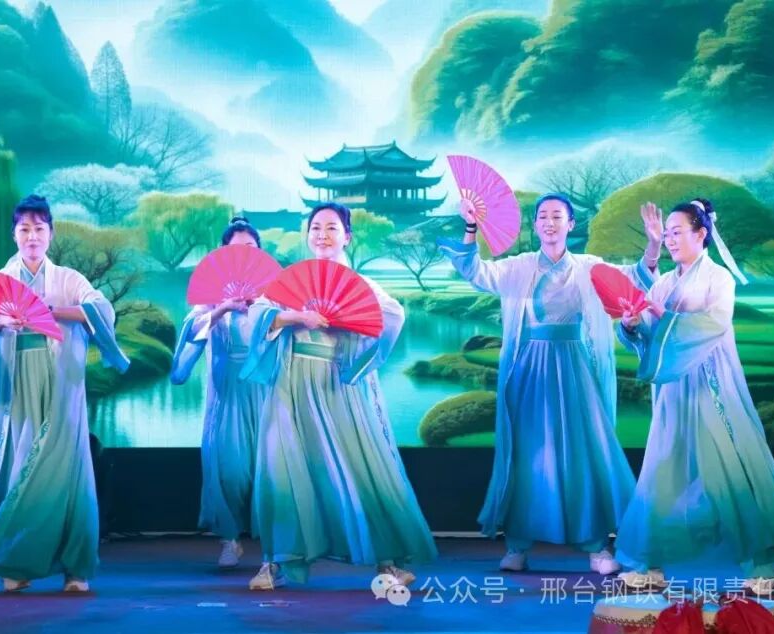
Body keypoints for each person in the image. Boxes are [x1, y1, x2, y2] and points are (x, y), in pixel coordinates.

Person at [438, 193, 663, 574]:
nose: (549, 222)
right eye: (542, 216)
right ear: (536, 224)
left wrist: (654, 245)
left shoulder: (589, 267)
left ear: (571, 224)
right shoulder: (520, 266)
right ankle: (517, 545)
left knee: (583, 449)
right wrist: (471, 226)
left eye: (557, 216)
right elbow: (476, 272)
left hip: (575, 364)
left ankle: (596, 545)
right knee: (527, 452)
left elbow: (634, 278)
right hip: (528, 366)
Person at [0, 195, 129, 592]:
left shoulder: (67, 279)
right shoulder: (0, 280)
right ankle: (16, 561)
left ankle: (75, 567)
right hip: (16, 383)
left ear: (51, 233)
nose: (32, 236)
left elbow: (100, 310)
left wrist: (50, 310)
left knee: (67, 469)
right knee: (23, 467)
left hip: (61, 383)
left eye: (39, 229)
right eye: (24, 229)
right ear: (14, 234)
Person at [241, 203, 437, 590]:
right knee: (282, 467)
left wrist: (352, 332)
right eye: (316, 227)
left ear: (347, 236)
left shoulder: (360, 284)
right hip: (290, 381)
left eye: (332, 228)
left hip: (337, 382)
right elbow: (258, 315)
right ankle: (274, 562)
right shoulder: (290, 281)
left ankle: (386, 561)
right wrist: (297, 317)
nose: (322, 235)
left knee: (358, 467)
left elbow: (392, 316)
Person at [615, 198, 774, 595]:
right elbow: (650, 335)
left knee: (730, 466)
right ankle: (649, 564)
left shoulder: (719, 279)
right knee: (663, 469)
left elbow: (714, 323)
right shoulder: (664, 282)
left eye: (677, 232)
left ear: (701, 233)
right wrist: (632, 326)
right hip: (673, 391)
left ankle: (761, 567)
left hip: (710, 384)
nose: (670, 240)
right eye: (667, 234)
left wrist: (664, 316)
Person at [171, 217, 268, 568]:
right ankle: (230, 539)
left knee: (270, 467)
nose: (243, 254)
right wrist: (222, 308)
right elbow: (191, 329)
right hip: (227, 390)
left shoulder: (272, 290)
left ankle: (275, 548)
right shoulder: (212, 293)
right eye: (235, 249)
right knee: (229, 468)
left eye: (250, 248)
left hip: (265, 387)